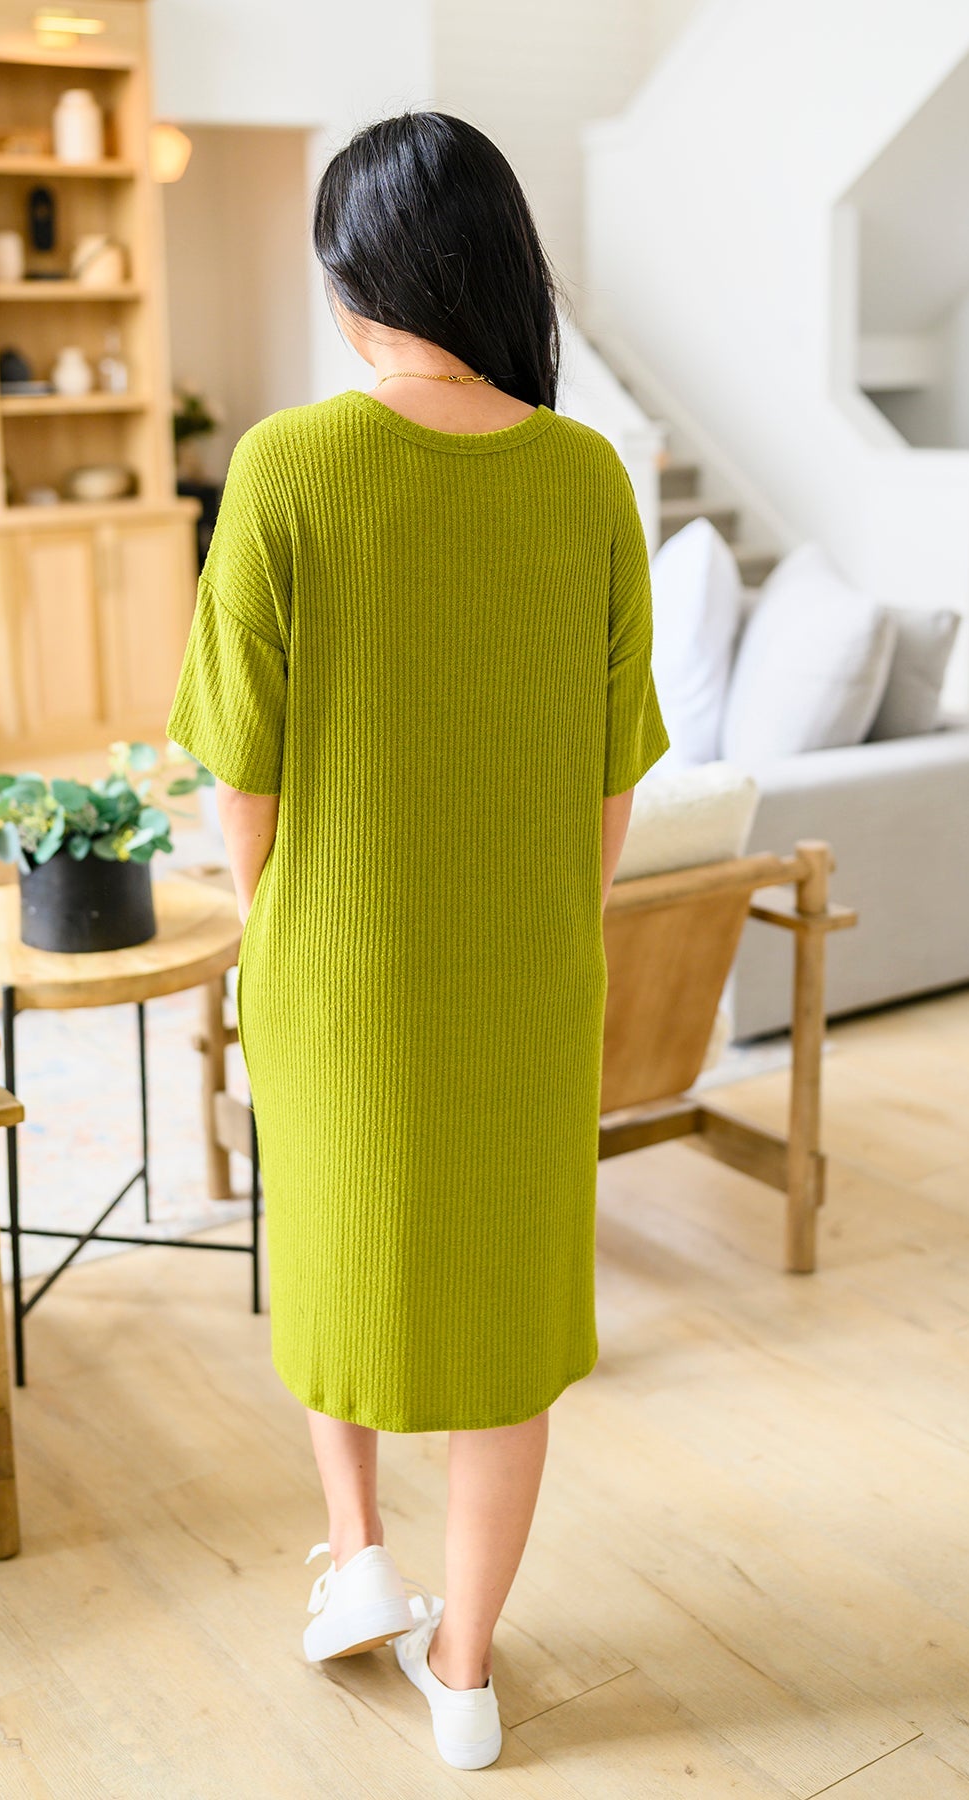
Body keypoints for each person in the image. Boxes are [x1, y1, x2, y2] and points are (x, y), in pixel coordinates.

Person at [166, 109, 668, 1772]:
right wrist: (545, 934)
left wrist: (280, 925)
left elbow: (240, 774)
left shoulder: (285, 467)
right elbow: (609, 778)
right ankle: (464, 1675)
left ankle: (357, 1554)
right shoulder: (585, 476)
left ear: (352, 279)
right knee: (505, 1327)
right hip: (529, 975)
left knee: (338, 1257)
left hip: (334, 966)